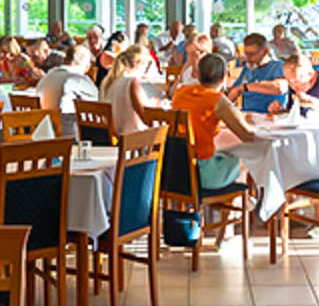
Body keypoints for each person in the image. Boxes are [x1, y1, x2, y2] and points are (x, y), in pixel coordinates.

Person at [169, 54, 258, 191]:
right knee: (246, 159)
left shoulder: (180, 93)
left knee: (226, 155)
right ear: (224, 78)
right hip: (202, 174)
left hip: (174, 169)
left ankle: (231, 202)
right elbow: (247, 135)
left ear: (197, 75)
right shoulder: (216, 100)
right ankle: (239, 201)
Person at [101, 44, 157, 135]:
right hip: (133, 139)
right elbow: (147, 119)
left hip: (114, 136)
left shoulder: (110, 81)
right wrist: (155, 104)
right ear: (138, 63)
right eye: (146, 66)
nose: (145, 71)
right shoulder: (131, 82)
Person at [229, 33, 287, 115]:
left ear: (265, 51)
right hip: (246, 115)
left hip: (268, 116)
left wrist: (246, 87)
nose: (248, 58)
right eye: (246, 54)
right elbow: (235, 90)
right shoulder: (248, 68)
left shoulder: (278, 66)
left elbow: (279, 87)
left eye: (252, 54)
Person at [37, 44, 100, 116]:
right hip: (66, 122)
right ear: (88, 67)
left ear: (65, 60)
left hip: (44, 121)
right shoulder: (79, 80)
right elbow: (98, 104)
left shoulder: (47, 76)